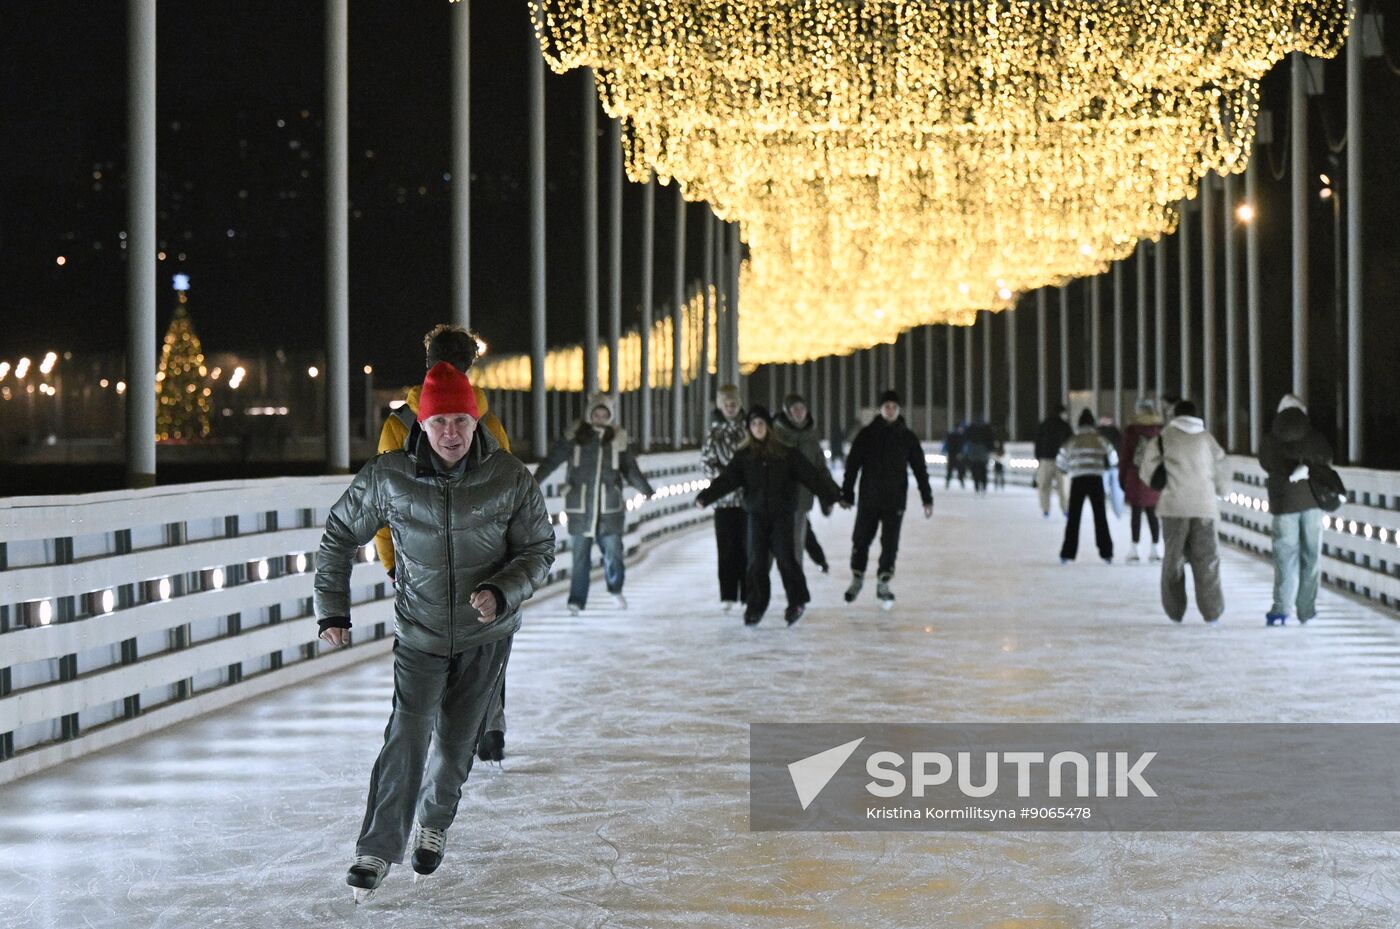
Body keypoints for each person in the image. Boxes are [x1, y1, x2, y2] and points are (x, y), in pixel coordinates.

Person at [315, 362, 555, 900]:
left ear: (476, 423)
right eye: (440, 421)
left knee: (455, 741)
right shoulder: (389, 475)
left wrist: (502, 590)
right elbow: (337, 536)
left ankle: (435, 822)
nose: (451, 433)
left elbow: (540, 549)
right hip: (420, 634)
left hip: (485, 635)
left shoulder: (508, 476)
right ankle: (375, 849)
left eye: (461, 422)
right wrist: (333, 612)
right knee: (407, 733)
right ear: (421, 425)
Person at [374, 323, 512, 764]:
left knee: (429, 651)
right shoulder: (487, 422)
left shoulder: (399, 423)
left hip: (421, 562)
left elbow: (382, 500)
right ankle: (488, 727)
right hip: (485, 558)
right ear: (471, 367)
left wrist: (392, 563)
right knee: (485, 644)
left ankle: (440, 736)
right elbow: (510, 494)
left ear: (428, 363)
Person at [696, 405, 844, 625]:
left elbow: (811, 477)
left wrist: (833, 495)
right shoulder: (744, 456)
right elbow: (727, 479)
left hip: (781, 516)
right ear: (749, 429)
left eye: (761, 424)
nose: (758, 428)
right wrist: (706, 497)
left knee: (786, 558)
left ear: (768, 427)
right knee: (756, 562)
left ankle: (797, 601)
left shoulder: (786, 453)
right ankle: (755, 607)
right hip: (756, 516)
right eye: (754, 424)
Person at [534, 393, 655, 615]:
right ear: (590, 415)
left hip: (610, 508)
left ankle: (615, 588)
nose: (600, 418)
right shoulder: (575, 438)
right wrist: (534, 482)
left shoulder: (617, 441)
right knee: (580, 557)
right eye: (596, 414)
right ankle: (576, 601)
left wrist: (645, 489)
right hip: (580, 508)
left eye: (604, 414)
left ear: (610, 417)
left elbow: (630, 470)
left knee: (614, 553)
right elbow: (552, 460)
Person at [841, 389, 934, 608]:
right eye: (886, 407)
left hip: (894, 500)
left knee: (890, 544)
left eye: (894, 407)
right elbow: (852, 466)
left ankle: (883, 583)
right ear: (880, 409)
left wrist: (926, 498)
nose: (890, 410)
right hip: (869, 498)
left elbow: (920, 469)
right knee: (861, 539)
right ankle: (857, 578)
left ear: (899, 410)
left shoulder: (907, 437)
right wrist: (847, 493)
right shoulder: (867, 435)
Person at [1139, 400, 1228, 623]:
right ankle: (1212, 612)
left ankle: (1175, 611)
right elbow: (1222, 467)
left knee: (1173, 560)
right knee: (1207, 560)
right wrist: (1221, 491)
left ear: (1175, 416)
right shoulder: (1207, 439)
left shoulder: (1163, 437)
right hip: (1204, 507)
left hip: (1174, 507)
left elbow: (1147, 469)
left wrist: (1160, 484)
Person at [1258, 394, 1333, 625]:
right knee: (1311, 557)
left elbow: (1265, 463)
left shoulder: (1270, 439)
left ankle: (1281, 609)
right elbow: (1327, 460)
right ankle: (1306, 609)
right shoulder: (1316, 438)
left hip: (1283, 503)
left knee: (1285, 557)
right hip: (1312, 502)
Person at [700, 385, 749, 611]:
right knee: (727, 548)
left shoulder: (749, 429)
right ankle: (728, 594)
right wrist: (726, 477)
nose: (730, 408)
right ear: (721, 406)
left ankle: (748, 593)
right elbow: (705, 464)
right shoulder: (714, 434)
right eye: (726, 404)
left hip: (748, 499)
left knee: (748, 547)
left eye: (734, 403)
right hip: (724, 500)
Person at [773, 392, 832, 573]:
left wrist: (827, 496)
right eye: (794, 409)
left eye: (802, 409)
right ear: (787, 412)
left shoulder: (810, 437)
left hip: (801, 498)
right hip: (777, 498)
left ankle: (796, 587)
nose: (799, 413)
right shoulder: (775, 434)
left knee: (797, 541)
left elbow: (820, 468)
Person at [1056, 409, 1118, 564]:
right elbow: (1113, 457)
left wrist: (1065, 469)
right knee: (1100, 517)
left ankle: (1067, 553)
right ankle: (1106, 552)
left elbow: (1061, 459)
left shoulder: (1073, 440)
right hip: (1096, 479)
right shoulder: (1100, 439)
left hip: (1078, 480)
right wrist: (1108, 467)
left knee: (1074, 518)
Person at [1121, 398, 1164, 563]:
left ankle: (1135, 548)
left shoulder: (1132, 431)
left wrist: (1122, 479)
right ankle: (1156, 548)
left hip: (1136, 475)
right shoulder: (1160, 430)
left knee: (1136, 513)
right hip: (1154, 476)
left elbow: (1125, 456)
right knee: (1153, 513)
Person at [1032, 406, 1072, 517]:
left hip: (1046, 459)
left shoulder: (1044, 424)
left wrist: (1038, 457)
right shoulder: (1065, 426)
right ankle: (1066, 509)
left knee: (1044, 486)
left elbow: (1038, 442)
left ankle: (1045, 509)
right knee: (1063, 487)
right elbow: (1071, 443)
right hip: (1061, 461)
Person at [962, 421, 997, 494]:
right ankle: (984, 485)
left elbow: (965, 439)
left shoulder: (971, 431)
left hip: (973, 451)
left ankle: (976, 485)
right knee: (983, 469)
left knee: (974, 469)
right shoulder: (986, 431)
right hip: (983, 452)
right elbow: (991, 441)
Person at [942, 421, 967, 489]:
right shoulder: (958, 435)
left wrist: (944, 450)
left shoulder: (959, 436)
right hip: (954, 454)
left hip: (956, 455)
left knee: (956, 469)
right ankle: (950, 482)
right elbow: (947, 444)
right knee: (953, 469)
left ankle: (959, 482)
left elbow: (946, 444)